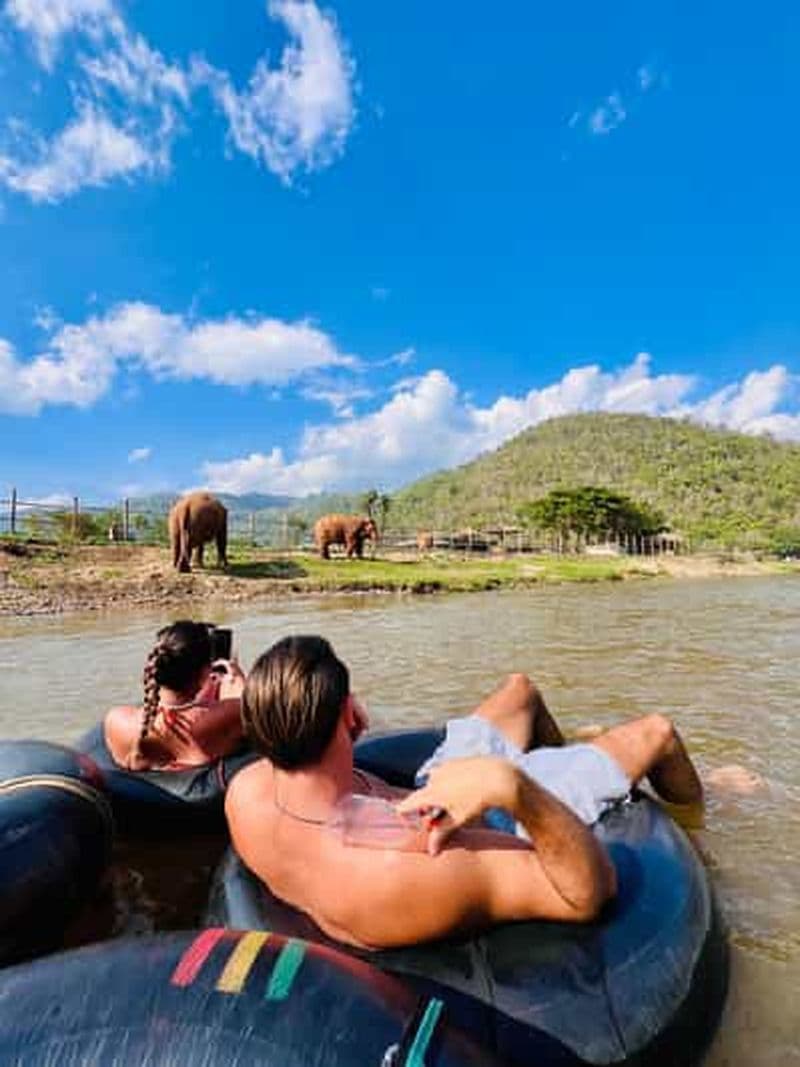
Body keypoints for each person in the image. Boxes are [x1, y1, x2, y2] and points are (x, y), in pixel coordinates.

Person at [227, 635, 704, 950]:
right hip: (501, 814)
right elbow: (589, 893)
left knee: (519, 689)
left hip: (433, 788)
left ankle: (571, 756)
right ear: (351, 715)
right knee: (658, 733)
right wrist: (511, 787)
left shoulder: (248, 793)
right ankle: (706, 811)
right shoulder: (411, 868)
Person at [105, 620, 245, 771]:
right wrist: (236, 676)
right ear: (205, 672)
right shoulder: (226, 716)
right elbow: (252, 706)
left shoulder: (116, 720)